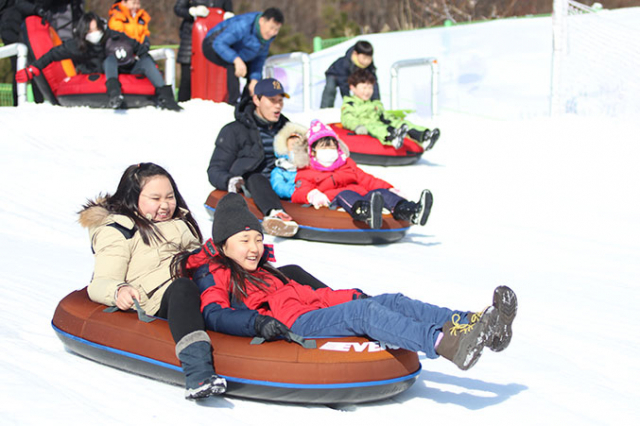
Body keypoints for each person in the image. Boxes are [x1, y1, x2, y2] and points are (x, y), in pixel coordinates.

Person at [184, 192, 518, 372]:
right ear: (224, 245)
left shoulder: (268, 271)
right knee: (365, 314)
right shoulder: (219, 272)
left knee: (392, 300)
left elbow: (315, 295)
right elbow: (215, 313)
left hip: (308, 313)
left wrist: (351, 296)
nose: (254, 247)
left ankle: (478, 324)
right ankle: (446, 344)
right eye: (244, 241)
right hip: (290, 325)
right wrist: (257, 322)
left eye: (257, 238)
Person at [77, 162, 227, 400]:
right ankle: (198, 373)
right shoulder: (118, 230)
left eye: (170, 197)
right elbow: (101, 281)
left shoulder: (179, 222)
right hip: (158, 296)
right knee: (183, 288)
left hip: (196, 283)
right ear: (133, 197)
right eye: (155, 198)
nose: (165, 205)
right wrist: (118, 290)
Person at [15, 11, 181, 110]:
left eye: (97, 29)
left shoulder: (115, 38)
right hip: (100, 77)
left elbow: (140, 50)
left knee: (141, 62)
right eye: (90, 30)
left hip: (126, 70)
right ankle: (114, 94)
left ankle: (166, 97)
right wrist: (34, 68)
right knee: (109, 61)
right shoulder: (77, 46)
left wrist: (147, 62)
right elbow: (53, 54)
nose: (95, 34)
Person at [290, 120, 433, 229]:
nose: (329, 149)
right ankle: (366, 212)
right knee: (345, 194)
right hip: (335, 200)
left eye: (332, 145)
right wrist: (313, 195)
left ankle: (410, 211)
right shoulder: (307, 171)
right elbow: (299, 192)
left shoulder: (346, 164)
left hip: (363, 196)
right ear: (313, 151)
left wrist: (389, 188)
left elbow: (367, 179)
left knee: (380, 192)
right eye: (324, 146)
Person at [207, 77, 299, 237]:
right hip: (254, 185)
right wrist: (230, 181)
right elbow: (215, 169)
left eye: (280, 101)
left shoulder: (287, 128)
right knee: (254, 176)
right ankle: (275, 213)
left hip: (285, 179)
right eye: (272, 100)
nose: (278, 106)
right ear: (256, 99)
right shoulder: (234, 131)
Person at [0, 0, 85, 106]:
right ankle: (21, 103)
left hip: (27, 22)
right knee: (21, 65)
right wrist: (36, 9)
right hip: (15, 24)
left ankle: (37, 102)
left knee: (35, 65)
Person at [341, 69, 441, 150]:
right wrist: (357, 126)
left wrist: (393, 119)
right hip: (367, 125)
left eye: (370, 88)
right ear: (353, 88)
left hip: (381, 122)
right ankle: (392, 138)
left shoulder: (375, 103)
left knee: (401, 123)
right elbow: (347, 118)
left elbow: (384, 115)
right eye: (364, 88)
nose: (367, 91)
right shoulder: (350, 104)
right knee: (376, 127)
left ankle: (424, 135)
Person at [201, 6, 283, 105]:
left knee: (255, 79)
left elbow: (258, 61)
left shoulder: (266, 38)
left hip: (238, 52)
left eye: (276, 30)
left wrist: (254, 80)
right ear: (262, 21)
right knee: (234, 65)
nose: (273, 33)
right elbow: (218, 43)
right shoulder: (243, 25)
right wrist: (236, 60)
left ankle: (247, 104)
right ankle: (232, 103)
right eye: (271, 28)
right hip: (212, 44)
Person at [173, 0, 234, 102]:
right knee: (187, 79)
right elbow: (178, 9)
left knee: (214, 78)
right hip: (191, 39)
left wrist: (228, 16)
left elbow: (228, 9)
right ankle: (183, 105)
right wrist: (192, 11)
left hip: (215, 38)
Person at [320, 40, 379, 109]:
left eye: (369, 58)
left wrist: (376, 101)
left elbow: (373, 82)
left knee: (365, 86)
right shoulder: (345, 63)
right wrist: (348, 101)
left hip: (351, 76)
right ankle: (325, 108)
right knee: (330, 88)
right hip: (334, 74)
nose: (366, 61)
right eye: (364, 58)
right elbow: (343, 84)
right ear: (355, 54)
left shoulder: (369, 66)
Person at [270, 121, 308, 199]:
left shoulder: (309, 165)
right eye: (292, 138)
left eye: (298, 138)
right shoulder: (280, 169)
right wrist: (295, 192)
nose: (295, 141)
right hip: (290, 203)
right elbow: (279, 186)